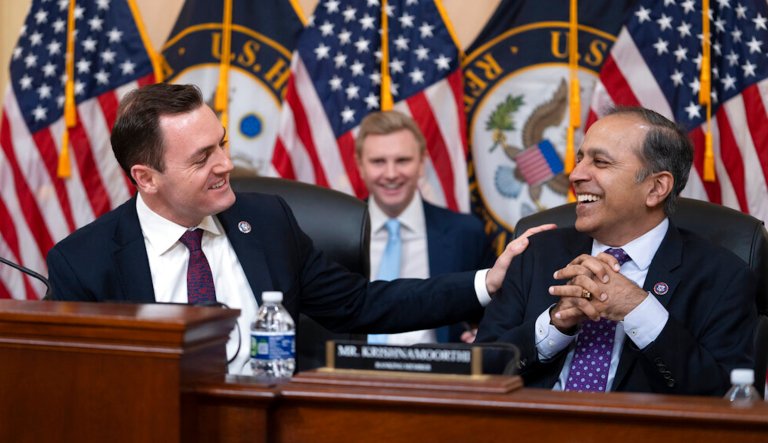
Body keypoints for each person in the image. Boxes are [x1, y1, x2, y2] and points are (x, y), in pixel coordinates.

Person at [46, 83, 551, 374]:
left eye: (221, 143)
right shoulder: (85, 262)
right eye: (203, 158)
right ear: (146, 178)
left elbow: (364, 304)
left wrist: (486, 281)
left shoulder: (265, 222)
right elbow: (68, 387)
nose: (226, 163)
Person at [476, 106, 757, 396]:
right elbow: (479, 369)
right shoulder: (537, 253)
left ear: (656, 188)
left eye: (600, 162)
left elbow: (724, 398)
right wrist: (555, 324)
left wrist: (640, 310)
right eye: (580, 159)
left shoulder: (723, 276)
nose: (575, 175)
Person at [355, 111, 494, 345]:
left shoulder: (465, 233)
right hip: (348, 373)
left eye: (402, 161)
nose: (391, 174)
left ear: (422, 163)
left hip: (438, 375)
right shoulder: (336, 233)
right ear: (360, 166)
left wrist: (485, 336)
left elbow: (497, 313)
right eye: (378, 162)